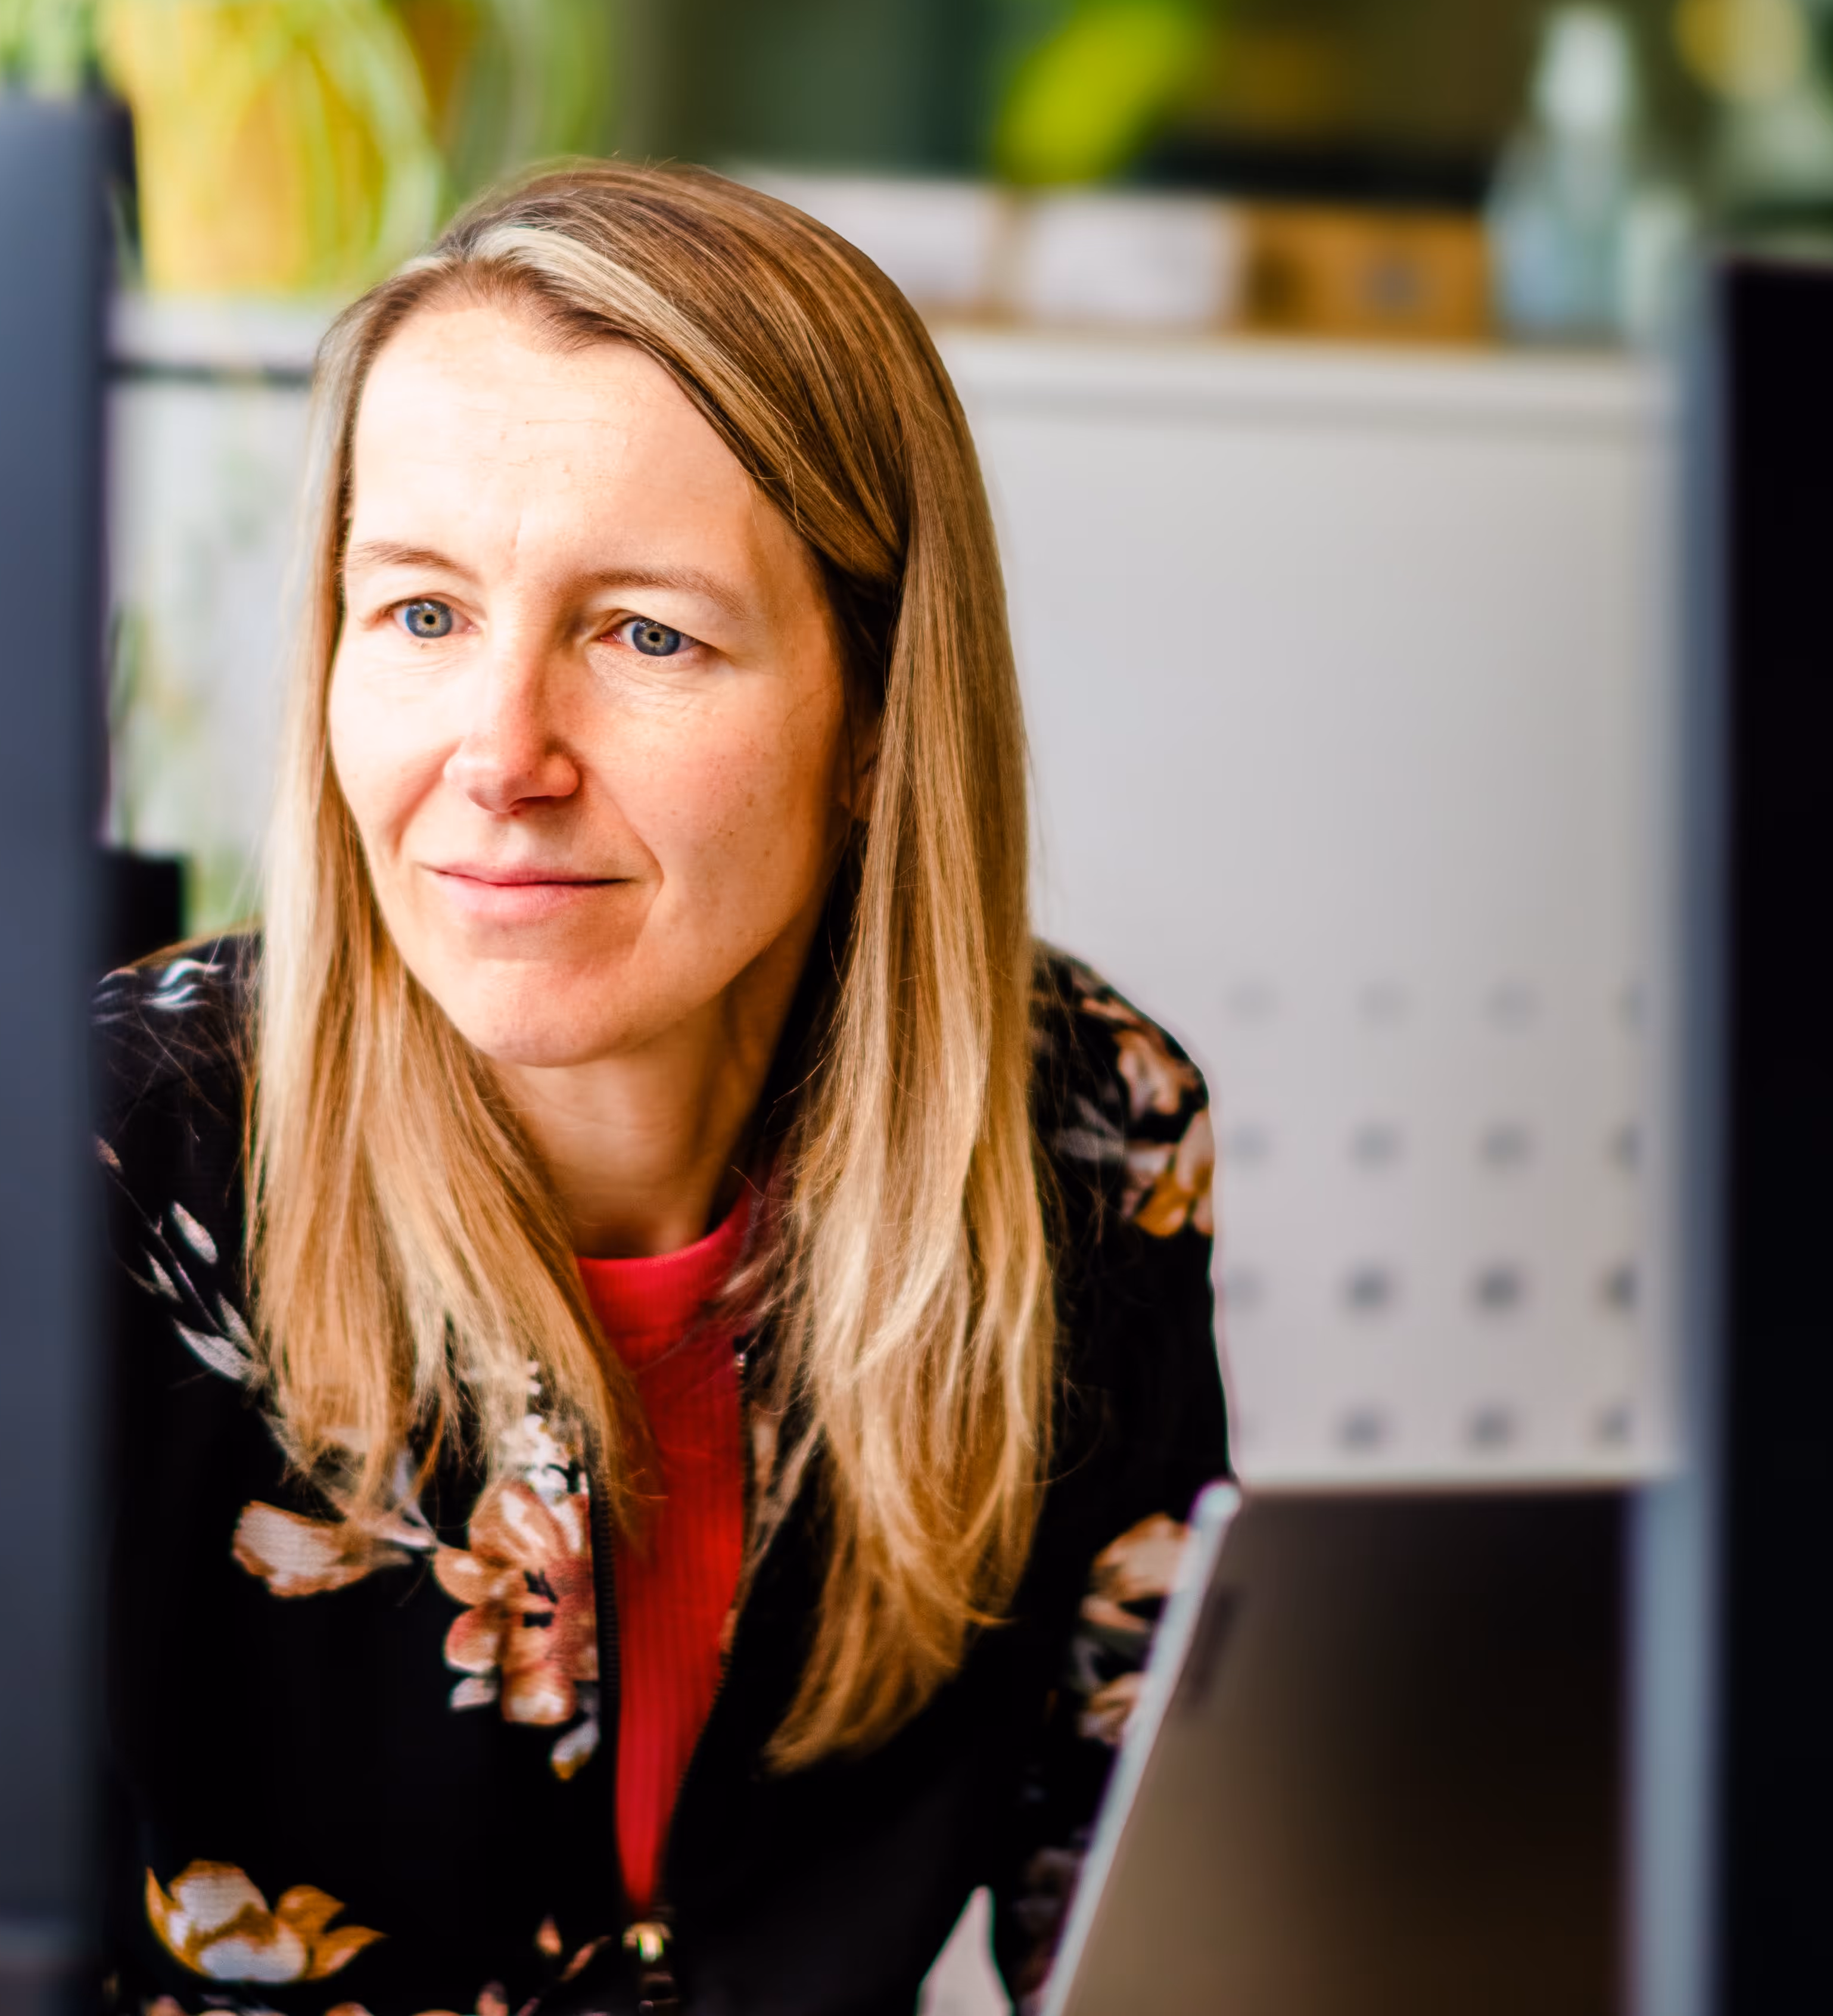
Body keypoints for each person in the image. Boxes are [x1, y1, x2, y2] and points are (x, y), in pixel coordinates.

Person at [96, 162, 1226, 2016]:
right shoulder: (109, 1163)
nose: (501, 755)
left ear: (874, 721)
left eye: (645, 634)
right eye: (423, 613)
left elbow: (1141, 1907)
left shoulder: (1084, 1134)